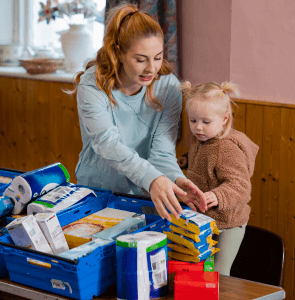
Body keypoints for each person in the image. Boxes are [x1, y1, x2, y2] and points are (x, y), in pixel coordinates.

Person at [69, 3, 207, 222]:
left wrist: (177, 182)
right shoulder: (93, 84)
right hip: (99, 194)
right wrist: (153, 179)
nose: (151, 69)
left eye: (158, 57)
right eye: (140, 59)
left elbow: (161, 154)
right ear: (119, 54)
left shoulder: (169, 87)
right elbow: (107, 143)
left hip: (146, 196)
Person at [177, 81, 259, 275]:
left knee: (219, 274)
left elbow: (240, 186)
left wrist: (218, 195)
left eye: (206, 122)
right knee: (202, 269)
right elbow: (204, 162)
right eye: (193, 120)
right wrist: (185, 160)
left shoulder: (226, 148)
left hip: (228, 224)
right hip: (206, 219)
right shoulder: (202, 139)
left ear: (224, 119)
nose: (198, 127)